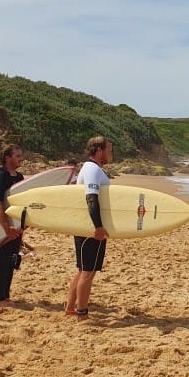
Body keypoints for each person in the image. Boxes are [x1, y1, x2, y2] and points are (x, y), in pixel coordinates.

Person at [65, 136, 113, 321]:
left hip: (86, 226)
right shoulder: (92, 169)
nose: (110, 154)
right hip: (90, 228)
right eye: (108, 150)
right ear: (99, 150)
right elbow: (91, 199)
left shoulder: (92, 168)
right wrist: (98, 226)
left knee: (83, 269)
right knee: (88, 272)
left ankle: (70, 308)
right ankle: (82, 313)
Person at [0, 144, 25, 308]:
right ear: (7, 158)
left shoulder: (19, 177)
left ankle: (7, 296)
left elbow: (23, 204)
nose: (20, 159)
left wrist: (21, 228)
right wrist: (6, 228)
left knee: (11, 262)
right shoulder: (1, 176)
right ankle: (1, 298)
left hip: (16, 227)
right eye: (17, 156)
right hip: (3, 227)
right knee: (3, 262)